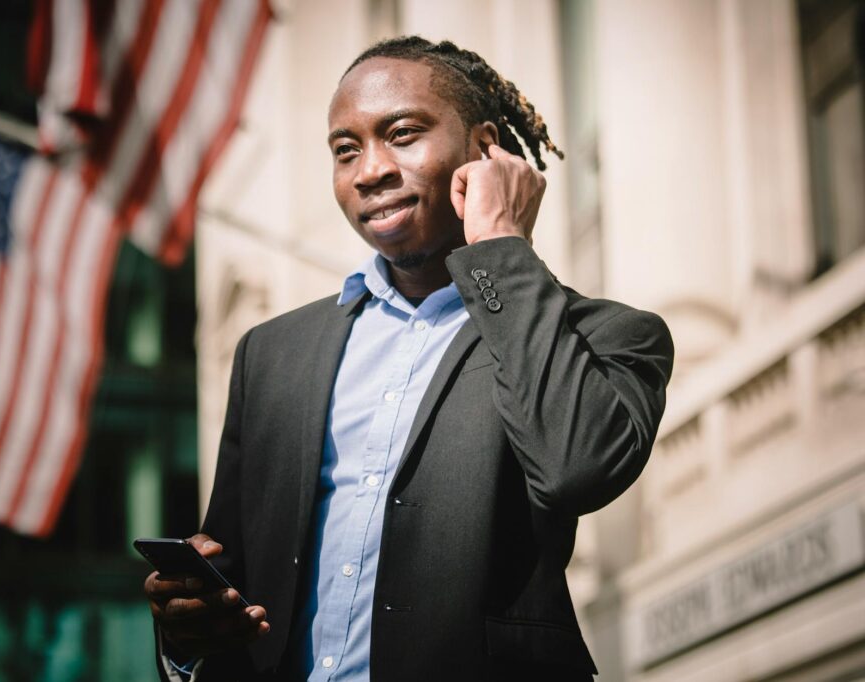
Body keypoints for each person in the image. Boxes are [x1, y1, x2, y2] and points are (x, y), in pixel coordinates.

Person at [144, 36, 674, 681]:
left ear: (484, 151)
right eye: (346, 150)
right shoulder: (272, 354)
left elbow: (577, 470)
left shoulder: (607, 335)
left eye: (401, 134)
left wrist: (501, 244)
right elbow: (232, 572)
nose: (369, 171)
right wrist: (189, 631)